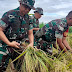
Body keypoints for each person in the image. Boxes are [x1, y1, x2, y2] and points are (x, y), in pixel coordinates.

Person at [0, 0, 35, 71]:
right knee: (1, 67)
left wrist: (31, 43)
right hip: (5, 45)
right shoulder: (9, 14)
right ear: (20, 3)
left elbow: (30, 33)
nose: (27, 10)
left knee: (21, 68)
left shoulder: (29, 18)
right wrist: (9, 43)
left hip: (18, 46)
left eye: (29, 8)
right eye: (25, 7)